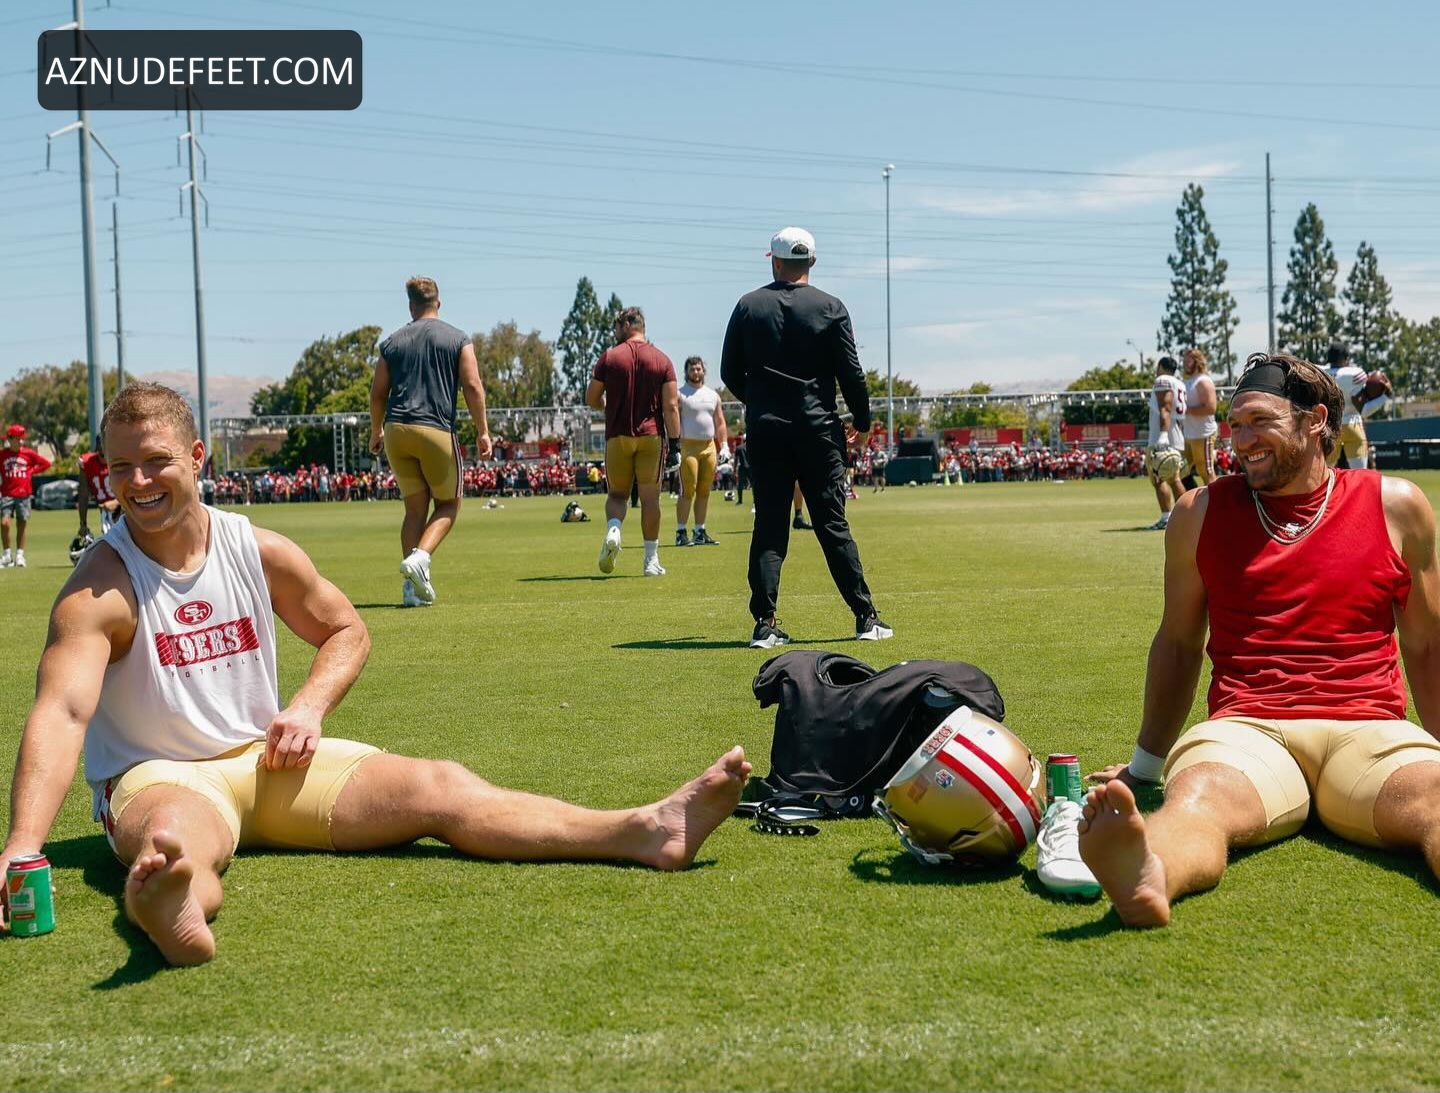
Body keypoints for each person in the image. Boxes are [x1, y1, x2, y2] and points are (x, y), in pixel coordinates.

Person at [0, 382, 751, 965]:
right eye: (120, 467)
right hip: (160, 775)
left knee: (441, 785)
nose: (137, 481)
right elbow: (62, 713)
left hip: (269, 762)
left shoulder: (256, 549)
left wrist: (308, 706)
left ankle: (645, 830)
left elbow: (346, 630)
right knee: (174, 836)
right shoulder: (100, 589)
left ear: (198, 458)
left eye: (155, 460)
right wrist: (23, 846)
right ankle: (169, 901)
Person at [1078, 353, 1440, 927]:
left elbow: (1426, 645)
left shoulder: (1396, 505)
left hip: (1370, 729)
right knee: (1199, 800)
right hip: (1248, 729)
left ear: (1315, 420)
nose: (1242, 440)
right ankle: (1151, 871)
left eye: (1260, 422)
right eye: (1235, 425)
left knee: (1436, 800)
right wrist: (1145, 767)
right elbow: (1178, 643)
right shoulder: (1199, 513)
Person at [720, 226, 893, 648]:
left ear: (774, 261)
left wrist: (759, 402)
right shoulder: (831, 307)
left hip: (767, 430)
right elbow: (851, 373)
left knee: (770, 525)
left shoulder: (748, 305)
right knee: (832, 524)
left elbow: (729, 371)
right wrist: (863, 422)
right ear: (812, 262)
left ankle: (765, 623)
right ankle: (866, 617)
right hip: (819, 430)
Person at [369, 276, 492, 608]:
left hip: (397, 430)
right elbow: (473, 385)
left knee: (414, 509)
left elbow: (378, 393)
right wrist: (482, 430)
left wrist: (376, 431)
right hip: (435, 429)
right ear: (438, 303)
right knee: (449, 505)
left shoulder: (391, 342)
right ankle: (421, 558)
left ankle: (411, 591)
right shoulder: (458, 338)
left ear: (411, 306)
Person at [586, 306, 680, 577]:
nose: (615, 332)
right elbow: (671, 406)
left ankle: (614, 529)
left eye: (616, 327)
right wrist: (675, 444)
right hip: (651, 437)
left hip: (618, 436)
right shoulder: (662, 360)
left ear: (627, 325)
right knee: (651, 499)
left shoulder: (609, 357)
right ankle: (651, 560)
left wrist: (607, 405)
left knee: (617, 496)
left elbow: (591, 398)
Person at [674, 356, 728, 547]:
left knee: (705, 490)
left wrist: (724, 445)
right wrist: (674, 445)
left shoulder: (713, 395)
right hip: (688, 446)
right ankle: (681, 531)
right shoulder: (680, 394)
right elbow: (673, 419)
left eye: (698, 369)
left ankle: (699, 530)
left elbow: (720, 422)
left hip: (709, 446)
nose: (696, 372)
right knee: (688, 490)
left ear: (703, 370)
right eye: (692, 369)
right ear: (686, 372)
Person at [1324, 339, 1390, 470]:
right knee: (1360, 473)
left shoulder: (1320, 373)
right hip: (1352, 425)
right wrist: (1385, 397)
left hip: (1331, 427)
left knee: (1326, 473)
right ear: (1345, 358)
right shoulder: (1353, 375)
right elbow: (1364, 411)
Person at [1144, 356, 1188, 531]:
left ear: (1161, 366)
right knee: (1175, 479)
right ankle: (1186, 516)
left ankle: (1166, 517)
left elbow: (1166, 408)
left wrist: (1162, 436)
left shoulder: (1163, 380)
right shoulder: (1180, 384)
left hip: (1162, 439)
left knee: (1158, 478)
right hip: (1176, 437)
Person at [1, 424, 50, 569]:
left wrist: (32, 471)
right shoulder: (2, 455)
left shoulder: (28, 453)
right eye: (18, 438)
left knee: (21, 524)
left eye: (22, 438)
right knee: (4, 523)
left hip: (23, 494)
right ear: (10, 439)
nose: (21, 441)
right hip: (7, 494)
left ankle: (20, 555)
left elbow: (46, 463)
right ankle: (7, 555)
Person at [1181, 348, 1219, 486]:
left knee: (1206, 472)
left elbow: (1211, 408)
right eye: (1184, 360)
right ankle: (1191, 497)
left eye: (1189, 359)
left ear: (1197, 361)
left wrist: (1186, 410)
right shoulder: (1188, 382)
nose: (1185, 363)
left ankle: (1215, 498)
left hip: (1203, 433)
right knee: (1181, 470)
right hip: (1188, 434)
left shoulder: (1203, 381)